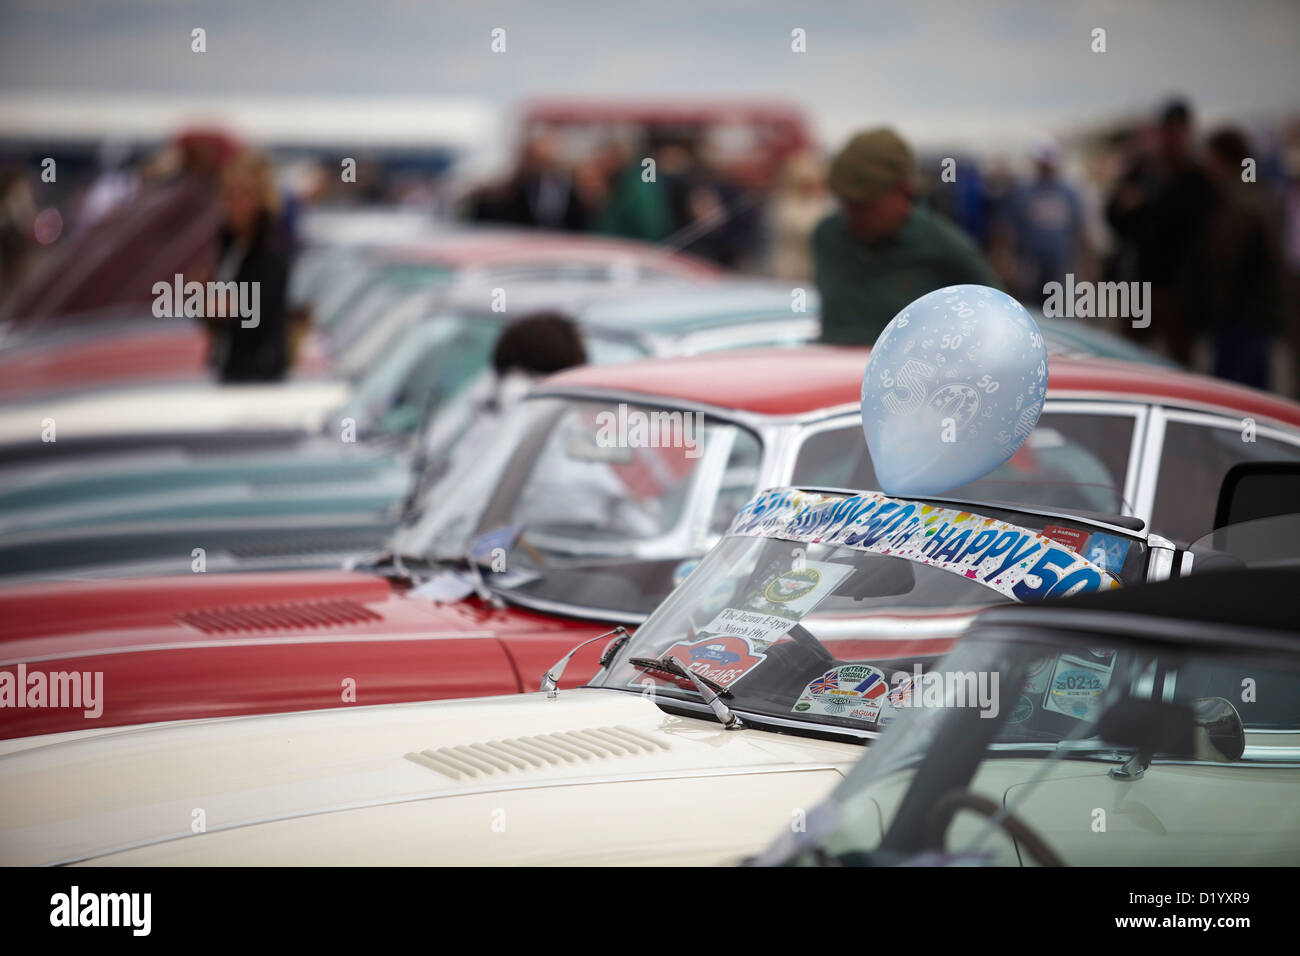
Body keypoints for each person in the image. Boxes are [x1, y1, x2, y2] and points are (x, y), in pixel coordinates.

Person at [812, 128, 1002, 345]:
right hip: (832, 373)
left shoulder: (945, 247)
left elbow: (1000, 324)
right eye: (846, 204)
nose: (853, 216)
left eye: (866, 206)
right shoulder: (827, 236)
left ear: (904, 192)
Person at [1202, 127, 1285, 389]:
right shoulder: (1257, 192)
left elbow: (1226, 260)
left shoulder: (1237, 200)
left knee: (1235, 392)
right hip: (1256, 311)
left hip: (1241, 313)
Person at [205, 149, 291, 383]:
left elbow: (258, 319)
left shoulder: (269, 250)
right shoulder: (233, 246)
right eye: (229, 195)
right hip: (231, 366)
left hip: (257, 375)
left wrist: (220, 307)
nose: (233, 205)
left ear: (261, 199)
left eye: (242, 195)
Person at [1008, 139, 1085, 306]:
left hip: (1061, 262)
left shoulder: (1068, 193)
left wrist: (1083, 263)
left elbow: (1078, 229)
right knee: (1032, 305)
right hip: (1030, 261)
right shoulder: (1024, 192)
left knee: (1059, 306)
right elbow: (1010, 228)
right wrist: (1010, 260)